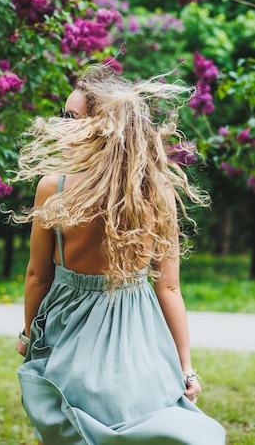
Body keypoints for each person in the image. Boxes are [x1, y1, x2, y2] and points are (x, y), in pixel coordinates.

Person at [12, 65, 226, 445]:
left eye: (72, 117)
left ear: (105, 125)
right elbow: (169, 289)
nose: (62, 125)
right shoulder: (156, 192)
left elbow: (38, 277)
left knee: (75, 429)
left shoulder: (53, 188)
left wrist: (29, 336)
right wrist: (186, 369)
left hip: (68, 335)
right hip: (140, 337)